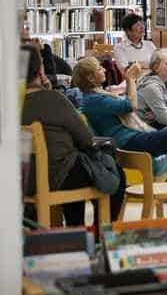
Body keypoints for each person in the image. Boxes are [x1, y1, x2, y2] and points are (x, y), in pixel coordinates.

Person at [20, 44, 125, 225]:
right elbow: (84, 138)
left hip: (24, 180)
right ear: (40, 69)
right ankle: (100, 236)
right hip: (57, 175)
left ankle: (75, 230)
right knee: (111, 172)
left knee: (76, 164)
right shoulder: (53, 99)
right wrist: (48, 89)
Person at [73, 57, 167, 182]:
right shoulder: (94, 100)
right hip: (128, 141)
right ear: (90, 78)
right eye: (100, 69)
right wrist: (130, 79)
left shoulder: (95, 96)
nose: (104, 69)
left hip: (132, 137)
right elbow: (130, 106)